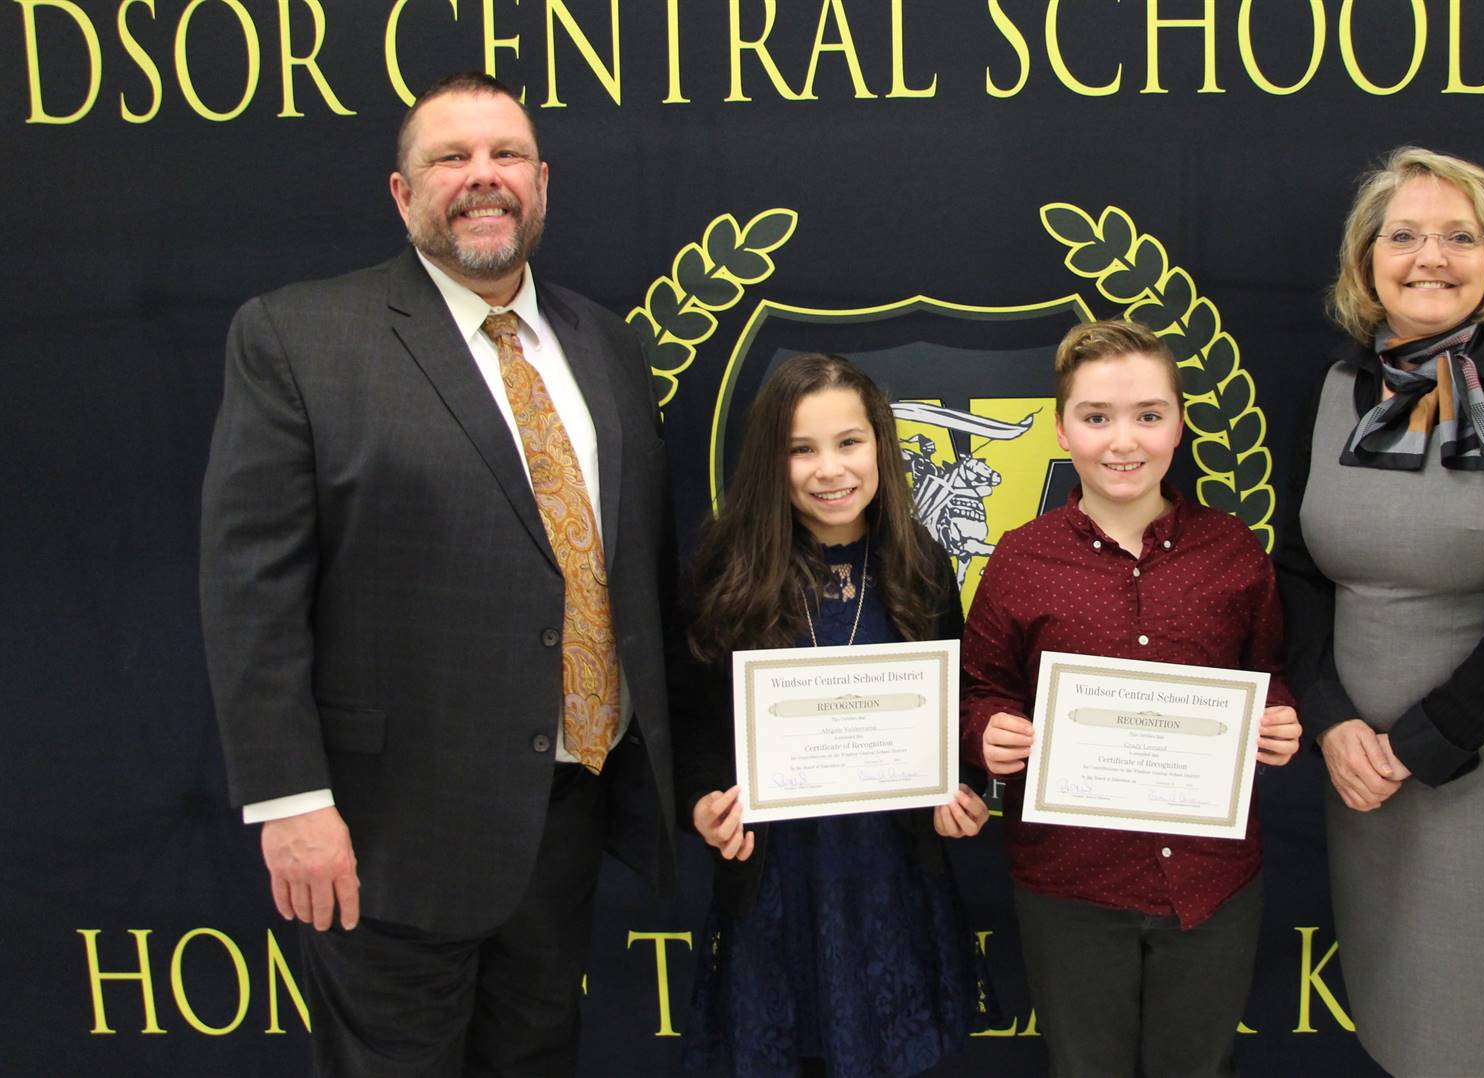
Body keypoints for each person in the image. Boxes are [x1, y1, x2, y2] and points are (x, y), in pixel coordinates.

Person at [199, 70, 682, 1075]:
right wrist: (289, 800)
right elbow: (252, 587)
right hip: (388, 835)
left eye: (506, 156)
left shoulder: (605, 345)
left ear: (542, 182)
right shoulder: (300, 338)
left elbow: (638, 570)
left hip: (566, 814)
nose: (482, 178)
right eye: (450, 159)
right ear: (401, 191)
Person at [1274, 146, 1484, 1077]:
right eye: (1405, 235)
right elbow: (1298, 572)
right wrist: (1334, 726)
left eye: (1459, 237)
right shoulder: (1333, 393)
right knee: (1398, 1006)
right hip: (1359, 767)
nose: (1431, 257)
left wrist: (1417, 747)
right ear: (1366, 262)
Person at [960, 320, 1301, 1077]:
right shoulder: (1020, 558)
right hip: (1070, 881)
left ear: (1179, 423)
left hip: (1212, 878)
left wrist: (1276, 720)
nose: (1124, 441)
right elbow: (983, 687)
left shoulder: (1234, 552)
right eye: (1097, 417)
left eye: (1149, 415)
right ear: (1061, 428)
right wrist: (988, 731)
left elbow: (1266, 671)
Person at [676, 353, 994, 1078]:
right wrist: (702, 801)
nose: (831, 470)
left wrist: (965, 786)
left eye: (849, 442)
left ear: (881, 444)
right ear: (770, 460)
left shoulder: (922, 565)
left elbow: (954, 710)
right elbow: (690, 719)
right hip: (778, 882)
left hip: (891, 871)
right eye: (801, 449)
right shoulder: (726, 572)